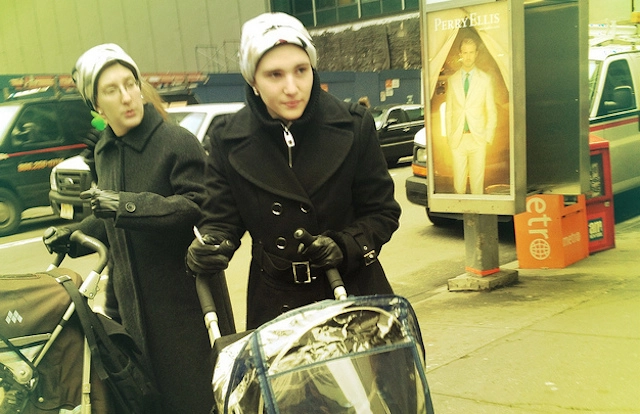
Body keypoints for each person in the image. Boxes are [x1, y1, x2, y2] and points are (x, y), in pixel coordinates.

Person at [186, 12, 401, 330]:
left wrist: (343, 245)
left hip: (352, 293)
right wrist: (212, 243)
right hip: (277, 304)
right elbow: (222, 218)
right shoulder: (229, 138)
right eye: (275, 75)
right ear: (253, 81)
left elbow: (382, 213)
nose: (292, 87)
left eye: (301, 70)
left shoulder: (353, 125)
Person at [42, 43, 215, 414]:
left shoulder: (176, 142)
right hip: (127, 311)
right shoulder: (105, 150)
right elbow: (110, 220)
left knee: (193, 404)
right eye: (111, 90)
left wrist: (125, 204)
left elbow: (193, 207)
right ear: (96, 106)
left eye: (130, 83)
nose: (126, 97)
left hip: (184, 314)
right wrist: (74, 235)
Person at [445, 36, 497, 194]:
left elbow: (491, 110)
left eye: (471, 52)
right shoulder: (452, 80)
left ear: (476, 54)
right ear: (460, 54)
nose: (468, 56)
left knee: (477, 184)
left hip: (477, 138)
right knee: (458, 185)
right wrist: (449, 136)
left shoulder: (485, 79)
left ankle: (478, 217)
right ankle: (461, 217)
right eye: (465, 52)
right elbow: (448, 111)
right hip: (458, 139)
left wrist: (488, 137)